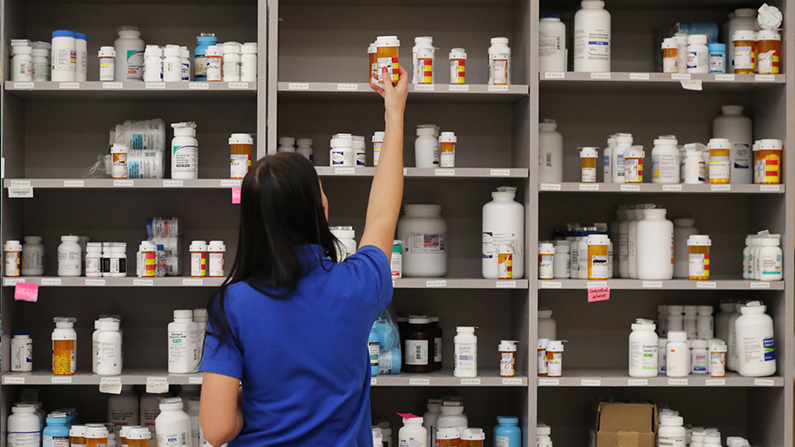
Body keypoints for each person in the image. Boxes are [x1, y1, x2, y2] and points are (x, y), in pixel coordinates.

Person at [199, 65, 409, 447]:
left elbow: (216, 430)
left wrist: (265, 404)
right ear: (320, 208)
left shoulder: (233, 304)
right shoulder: (359, 284)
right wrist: (394, 114)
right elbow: (383, 213)